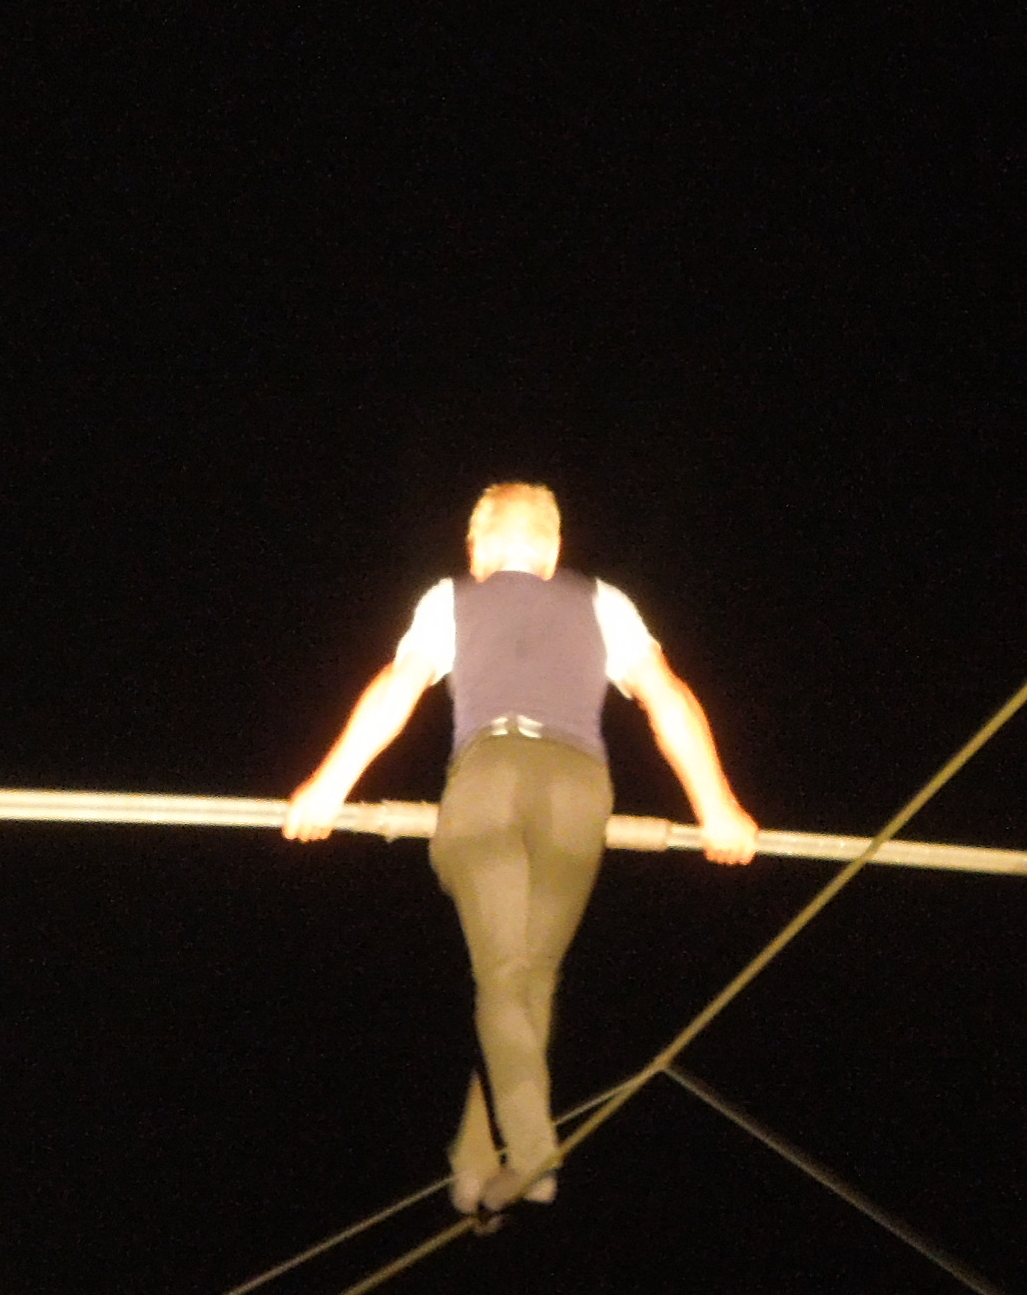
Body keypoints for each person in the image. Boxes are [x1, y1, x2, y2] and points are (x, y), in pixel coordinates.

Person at [282, 483, 756, 1215]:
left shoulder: (450, 599)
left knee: (503, 973)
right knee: (528, 978)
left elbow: (396, 689)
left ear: (476, 550)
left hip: (490, 780)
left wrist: (327, 787)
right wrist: (717, 807)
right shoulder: (605, 601)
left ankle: (533, 1156)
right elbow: (668, 697)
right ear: (554, 550)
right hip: (578, 791)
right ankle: (478, 1159)